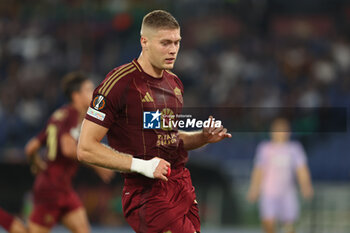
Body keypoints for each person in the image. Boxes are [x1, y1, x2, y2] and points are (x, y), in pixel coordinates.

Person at [77, 10, 231, 233]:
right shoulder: (119, 84)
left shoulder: (175, 84)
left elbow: (169, 138)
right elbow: (85, 148)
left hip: (181, 185)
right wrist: (144, 166)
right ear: (144, 41)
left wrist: (202, 137)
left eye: (177, 42)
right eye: (165, 43)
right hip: (146, 193)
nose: (173, 50)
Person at [25, 72, 114, 233]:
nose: (93, 93)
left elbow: (31, 147)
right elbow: (67, 149)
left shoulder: (61, 115)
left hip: (62, 187)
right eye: (88, 89)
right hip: (51, 189)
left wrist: (36, 162)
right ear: (76, 95)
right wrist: (96, 165)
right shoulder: (72, 114)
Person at [247, 118, 314, 233]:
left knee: (289, 225)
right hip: (269, 193)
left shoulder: (294, 149)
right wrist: (254, 189)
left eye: (283, 130)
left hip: (287, 193)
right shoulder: (265, 148)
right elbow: (259, 170)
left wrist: (306, 186)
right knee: (268, 223)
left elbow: (301, 169)